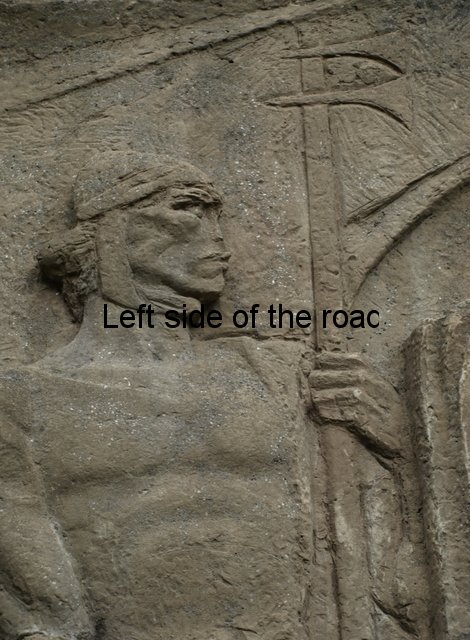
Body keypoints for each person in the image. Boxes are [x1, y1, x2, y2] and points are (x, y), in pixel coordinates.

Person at [0, 151, 423, 640]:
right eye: (188, 209)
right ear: (111, 229)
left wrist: (401, 446)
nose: (219, 237)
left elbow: (396, 565)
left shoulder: (275, 371)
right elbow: (36, 605)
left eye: (216, 216)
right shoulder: (23, 400)